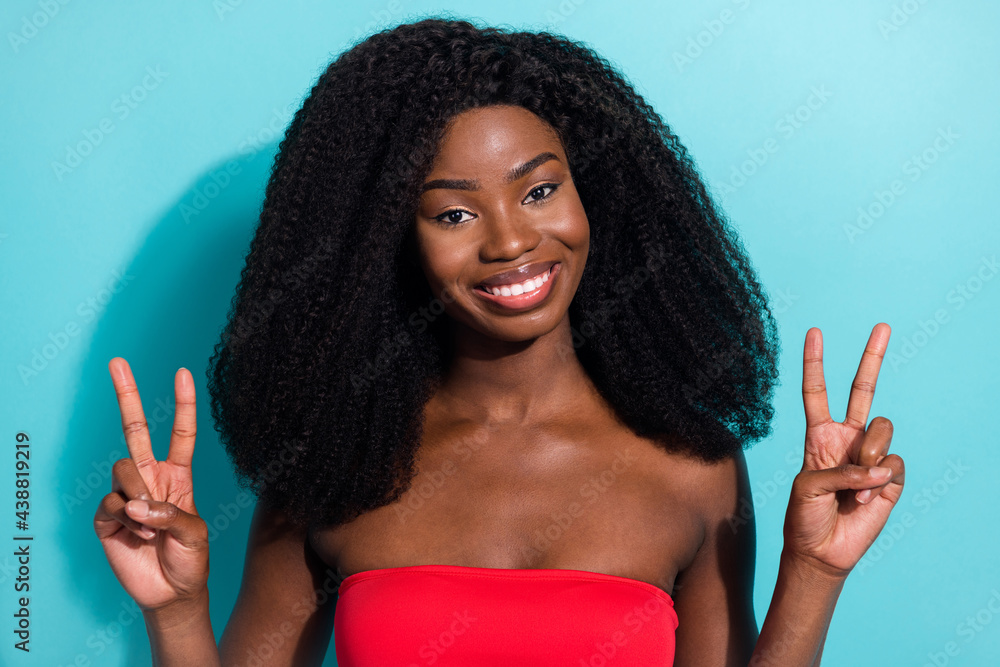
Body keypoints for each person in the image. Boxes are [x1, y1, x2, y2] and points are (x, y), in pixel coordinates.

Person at [93, 17, 905, 666]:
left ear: (598, 193)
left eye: (541, 189)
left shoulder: (692, 464)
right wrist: (175, 612)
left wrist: (815, 573)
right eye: (454, 213)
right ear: (387, 241)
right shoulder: (335, 463)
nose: (512, 242)